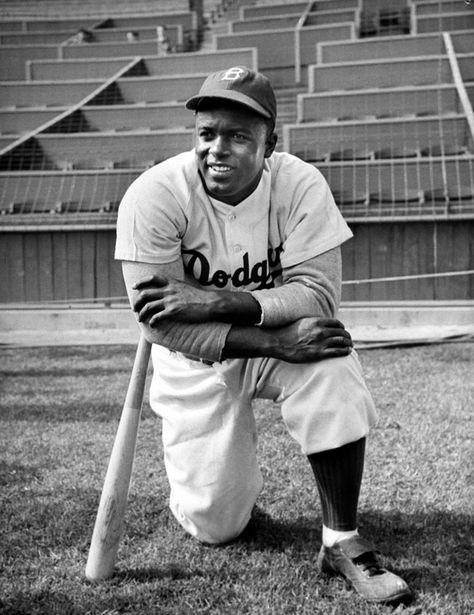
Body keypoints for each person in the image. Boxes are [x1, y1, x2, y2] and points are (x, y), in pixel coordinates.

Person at [114, 66, 412, 605]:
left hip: (274, 333)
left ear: (270, 143)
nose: (217, 148)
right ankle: (227, 493)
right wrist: (271, 340)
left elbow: (318, 294)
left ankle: (341, 541)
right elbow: (159, 323)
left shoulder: (298, 183)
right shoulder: (153, 195)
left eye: (237, 135)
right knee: (216, 526)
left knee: (327, 350)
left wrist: (222, 301)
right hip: (197, 359)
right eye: (207, 133)